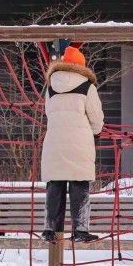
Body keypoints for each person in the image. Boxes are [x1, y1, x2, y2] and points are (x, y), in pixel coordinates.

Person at [40, 46, 105, 243]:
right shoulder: (87, 86)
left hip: (54, 142)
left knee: (55, 185)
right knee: (79, 185)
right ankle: (80, 230)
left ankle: (50, 229)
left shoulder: (51, 87)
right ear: (81, 66)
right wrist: (95, 131)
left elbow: (49, 113)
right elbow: (96, 118)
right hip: (79, 142)